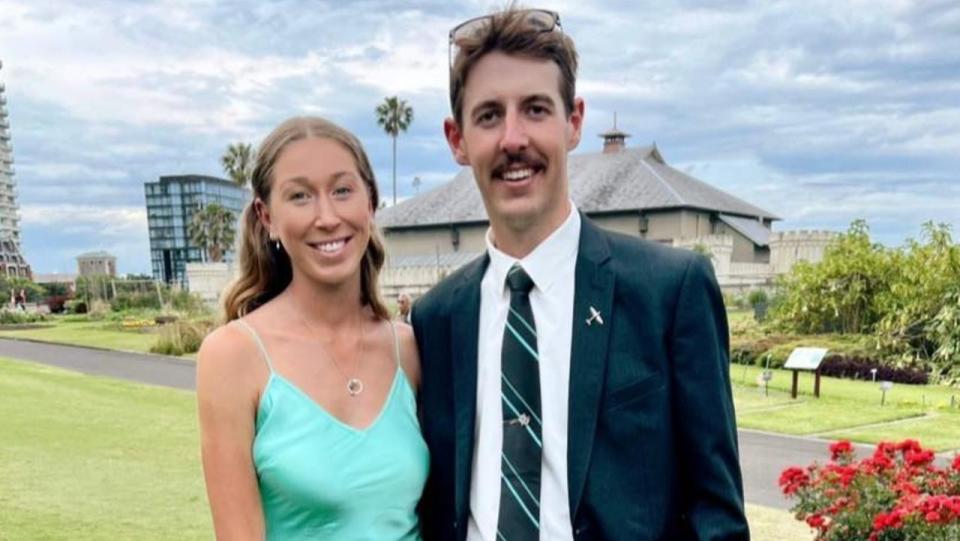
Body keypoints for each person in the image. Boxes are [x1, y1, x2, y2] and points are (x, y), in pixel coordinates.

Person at [412, 8, 749, 540]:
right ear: (457, 139)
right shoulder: (437, 319)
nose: (513, 138)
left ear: (573, 122)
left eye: (536, 109)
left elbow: (717, 515)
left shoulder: (670, 290)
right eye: (489, 116)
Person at [196, 117, 428, 540]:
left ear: (370, 202)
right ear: (267, 217)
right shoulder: (233, 356)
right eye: (300, 196)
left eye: (342, 190)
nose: (327, 217)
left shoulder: (407, 348)